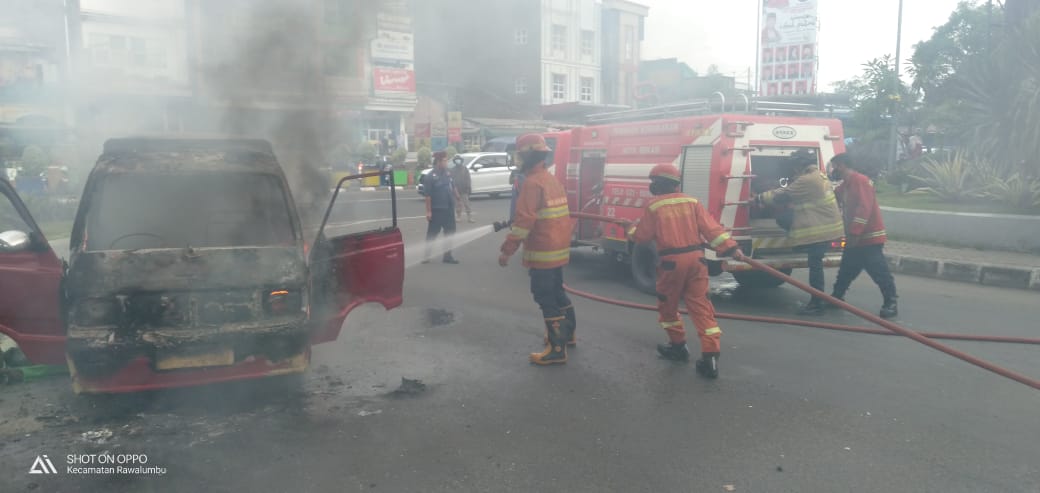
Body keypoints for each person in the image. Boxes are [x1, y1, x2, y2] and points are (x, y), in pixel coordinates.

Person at [627, 164, 740, 379]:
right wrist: (731, 248)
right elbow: (712, 230)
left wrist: (629, 229)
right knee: (701, 307)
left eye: (653, 181)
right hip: (697, 260)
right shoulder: (692, 202)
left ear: (659, 183)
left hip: (672, 263)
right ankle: (710, 357)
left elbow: (642, 237)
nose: (652, 186)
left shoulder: (654, 206)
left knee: (668, 306)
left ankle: (678, 347)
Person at [499, 134, 576, 366]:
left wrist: (507, 250)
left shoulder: (532, 183)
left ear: (530, 156)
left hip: (543, 250)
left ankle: (557, 349)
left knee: (545, 296)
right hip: (558, 248)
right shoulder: (551, 179)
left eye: (521, 156)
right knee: (557, 292)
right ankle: (567, 334)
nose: (518, 160)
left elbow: (524, 223)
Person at [755, 150, 845, 315]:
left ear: (799, 165)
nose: (793, 169)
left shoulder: (806, 180)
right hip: (829, 226)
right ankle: (825, 298)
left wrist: (758, 198)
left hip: (820, 230)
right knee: (815, 264)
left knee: (815, 266)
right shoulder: (819, 175)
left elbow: (782, 196)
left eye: (794, 166)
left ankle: (816, 303)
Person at [828, 153, 899, 319]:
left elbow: (864, 208)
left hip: (869, 237)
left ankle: (891, 302)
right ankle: (836, 297)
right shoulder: (845, 185)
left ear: (843, 164)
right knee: (846, 269)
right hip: (855, 238)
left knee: (878, 271)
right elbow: (832, 197)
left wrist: (855, 232)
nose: (833, 170)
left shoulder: (860, 181)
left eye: (835, 166)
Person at [422, 151, 460, 264]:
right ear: (438, 162)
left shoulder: (448, 173)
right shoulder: (430, 176)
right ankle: (426, 256)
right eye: (444, 161)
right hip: (437, 210)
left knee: (450, 232)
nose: (446, 162)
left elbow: (453, 186)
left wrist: (458, 198)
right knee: (432, 234)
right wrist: (428, 211)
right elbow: (428, 196)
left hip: (448, 208)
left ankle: (447, 256)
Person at [451, 156, 474, 223]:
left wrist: (469, 187)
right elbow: (452, 180)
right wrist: (454, 190)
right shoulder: (452, 170)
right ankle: (458, 217)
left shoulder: (465, 169)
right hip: (456, 190)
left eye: (459, 160)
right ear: (454, 161)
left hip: (464, 190)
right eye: (456, 160)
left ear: (461, 161)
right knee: (458, 205)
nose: (458, 161)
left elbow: (468, 178)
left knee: (467, 204)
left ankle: (470, 218)